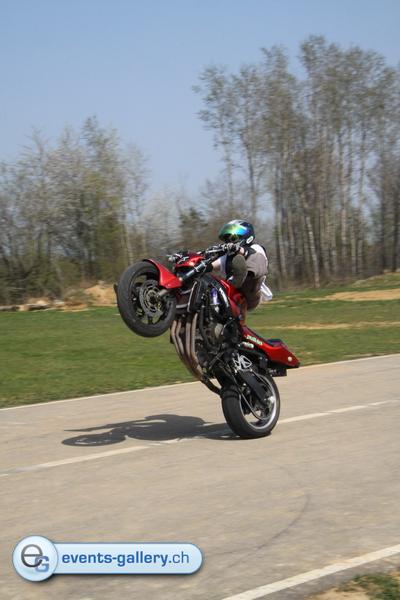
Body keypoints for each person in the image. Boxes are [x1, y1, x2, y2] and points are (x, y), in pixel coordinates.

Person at [212, 219, 272, 310]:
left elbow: (252, 253)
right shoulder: (227, 257)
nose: (229, 241)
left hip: (251, 292)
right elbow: (212, 265)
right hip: (231, 293)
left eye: (233, 238)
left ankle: (244, 277)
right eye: (227, 239)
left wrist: (239, 249)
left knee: (254, 258)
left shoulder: (256, 248)